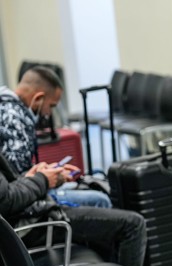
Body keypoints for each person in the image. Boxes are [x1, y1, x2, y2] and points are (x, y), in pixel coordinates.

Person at [0, 151, 172, 266]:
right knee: (133, 225)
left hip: (27, 221)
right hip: (32, 226)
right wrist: (42, 179)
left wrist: (30, 177)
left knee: (100, 216)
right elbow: (6, 201)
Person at [0, 66, 112, 208]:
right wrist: (49, 178)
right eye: (51, 106)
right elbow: (15, 185)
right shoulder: (15, 120)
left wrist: (46, 171)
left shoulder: (5, 107)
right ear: (38, 99)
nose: (48, 113)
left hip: (25, 192)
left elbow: (16, 173)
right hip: (25, 202)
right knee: (100, 199)